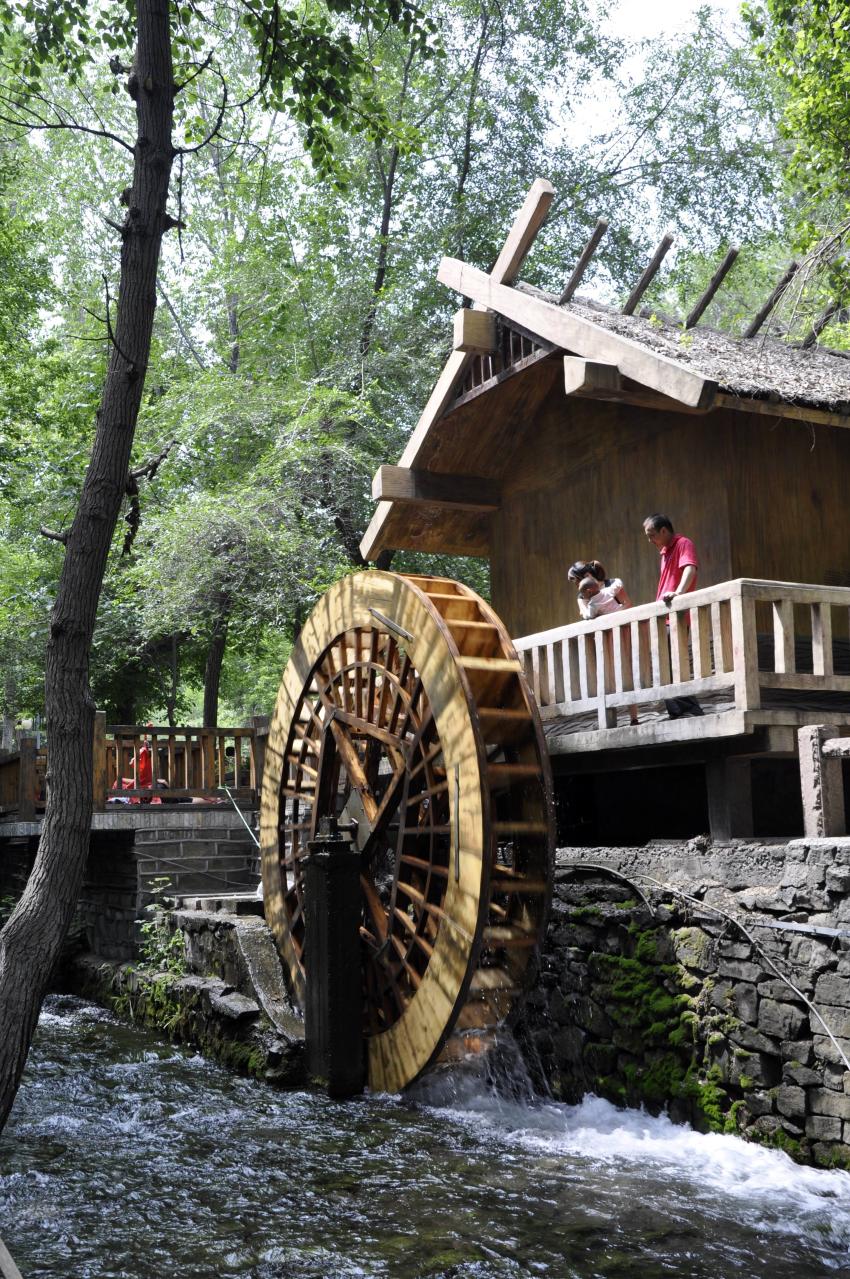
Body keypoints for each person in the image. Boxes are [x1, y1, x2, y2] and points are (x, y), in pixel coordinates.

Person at [643, 512, 703, 718]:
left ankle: (690, 710)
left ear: (664, 530)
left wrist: (678, 593)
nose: (650, 540)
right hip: (664, 615)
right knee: (664, 664)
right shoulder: (665, 551)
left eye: (652, 535)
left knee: (674, 663)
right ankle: (676, 712)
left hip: (676, 615)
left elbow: (690, 569)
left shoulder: (683, 543)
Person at [576, 574, 639, 726]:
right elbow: (619, 583)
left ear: (589, 591)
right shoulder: (609, 591)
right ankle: (634, 717)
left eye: (583, 592)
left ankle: (614, 718)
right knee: (627, 673)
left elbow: (588, 616)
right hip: (624, 631)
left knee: (613, 676)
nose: (581, 595)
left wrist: (583, 612)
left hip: (610, 637)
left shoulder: (593, 604)